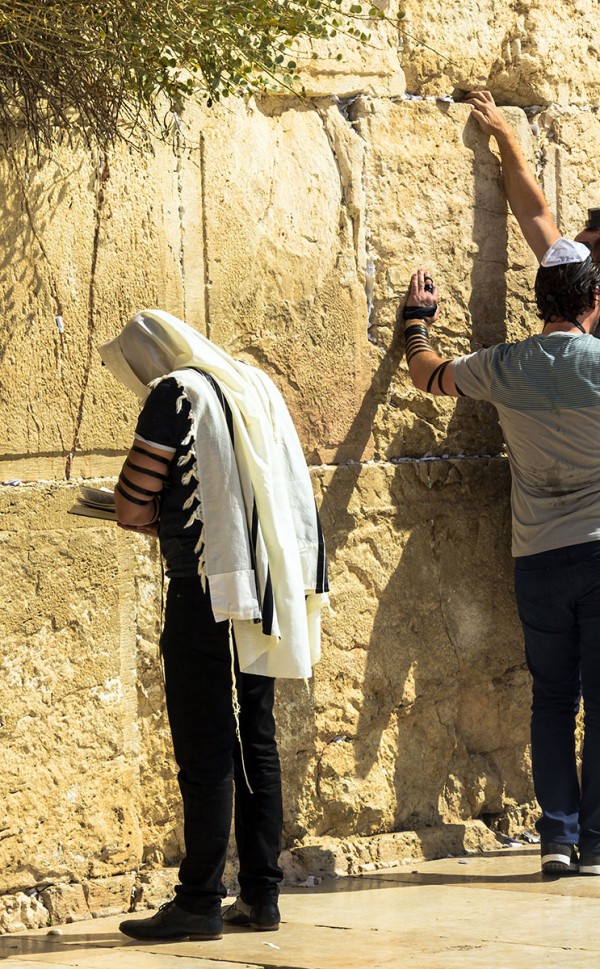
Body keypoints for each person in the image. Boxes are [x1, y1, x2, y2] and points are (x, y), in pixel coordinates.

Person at [402, 93, 600, 878]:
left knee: (552, 697)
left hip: (538, 560)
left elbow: (429, 375)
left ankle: (556, 835)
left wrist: (415, 323)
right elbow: (541, 219)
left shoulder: (508, 365)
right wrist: (509, 143)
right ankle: (593, 845)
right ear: (591, 298)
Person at [99, 310, 329, 940]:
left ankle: (198, 900)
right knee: (255, 737)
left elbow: (131, 498)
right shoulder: (248, 383)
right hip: (264, 589)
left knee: (204, 745)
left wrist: (139, 512)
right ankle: (261, 896)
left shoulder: (177, 391)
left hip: (207, 590)